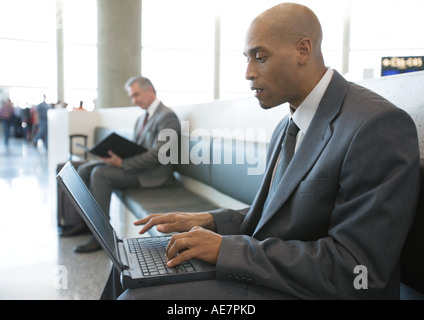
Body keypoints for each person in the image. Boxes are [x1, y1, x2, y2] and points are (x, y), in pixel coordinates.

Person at [113, 3, 420, 300]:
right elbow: (276, 214)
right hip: (280, 273)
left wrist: (227, 250)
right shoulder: (290, 125)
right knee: (129, 269)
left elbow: (356, 269)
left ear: (303, 50)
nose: (248, 72)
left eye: (259, 57)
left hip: (317, 290)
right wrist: (209, 220)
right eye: (247, 58)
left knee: (139, 296)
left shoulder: (375, 125)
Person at [70, 76, 181, 253]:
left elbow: (159, 156)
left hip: (153, 175)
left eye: (136, 95)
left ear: (150, 90)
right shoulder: (141, 118)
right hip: (138, 168)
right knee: (84, 169)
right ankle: (86, 223)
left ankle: (101, 234)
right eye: (132, 96)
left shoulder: (168, 117)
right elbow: (136, 149)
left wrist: (122, 162)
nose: (134, 100)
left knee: (100, 174)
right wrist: (111, 157)